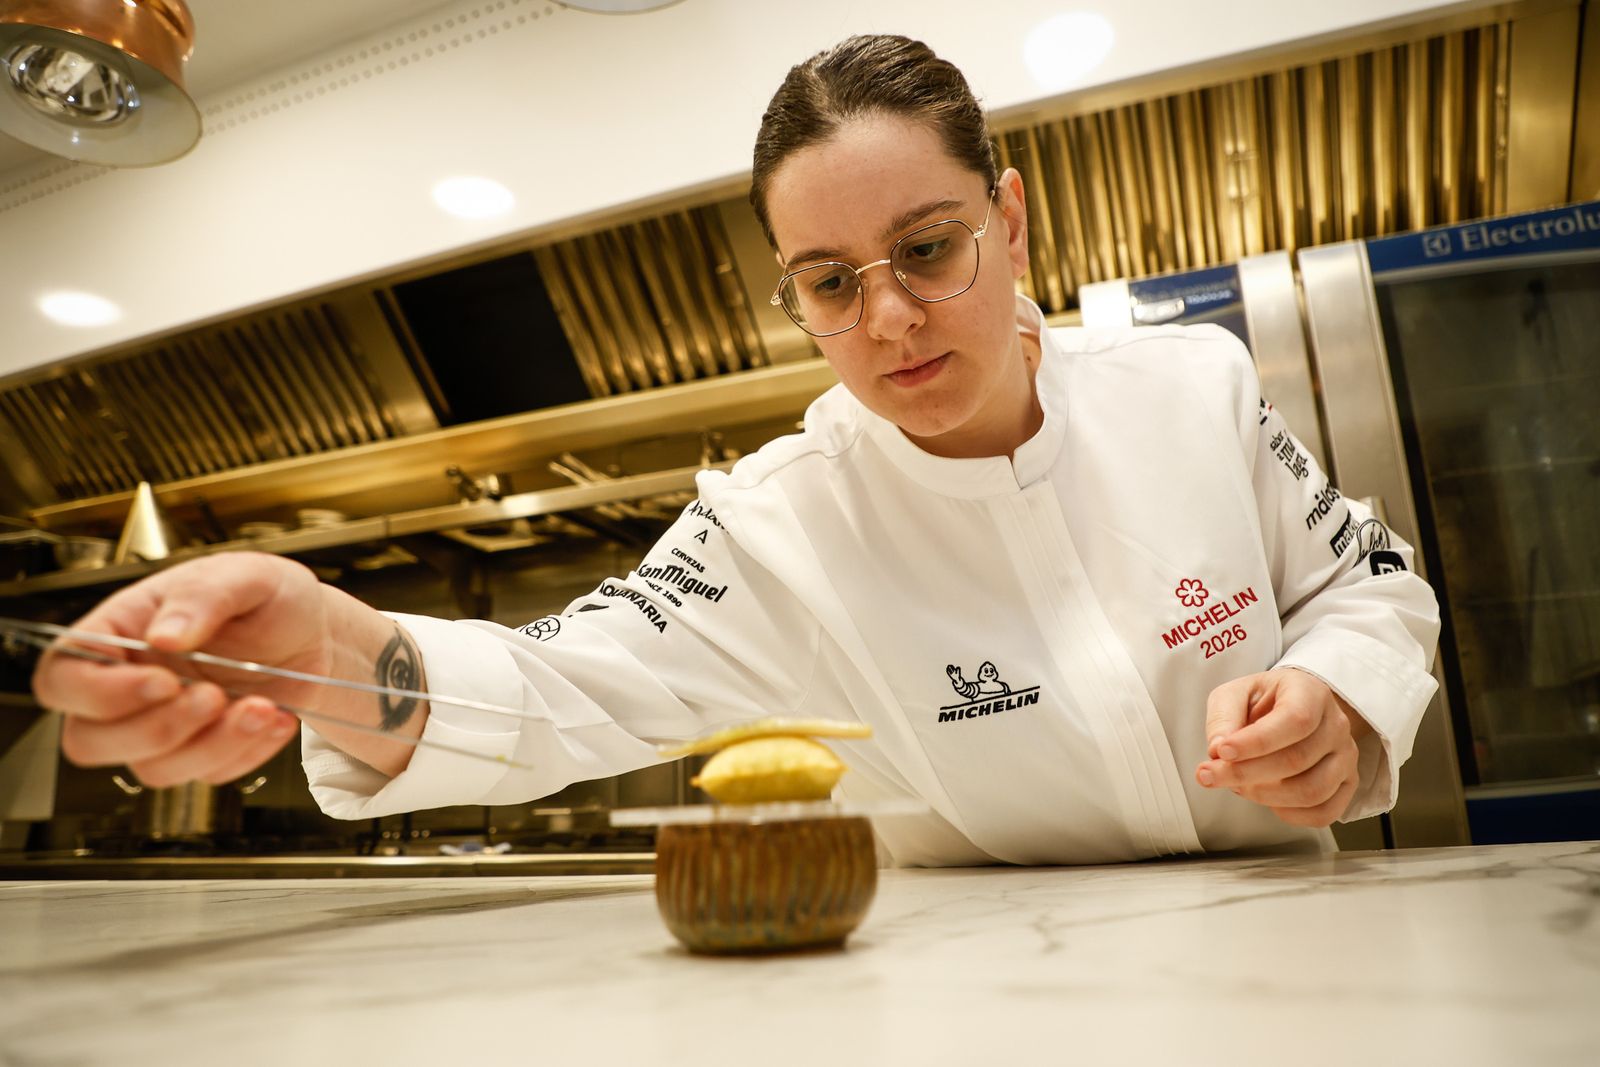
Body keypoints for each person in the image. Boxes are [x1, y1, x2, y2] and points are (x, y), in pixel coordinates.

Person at [31, 34, 1440, 867]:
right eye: (829, 280)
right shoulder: (776, 524)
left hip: (1294, 941)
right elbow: (558, 688)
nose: (887, 316)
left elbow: (1370, 583)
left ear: (1009, 219)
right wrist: (340, 651)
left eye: (928, 250)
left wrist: (1340, 698)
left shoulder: (1192, 387)